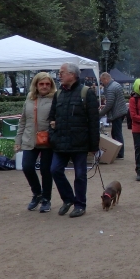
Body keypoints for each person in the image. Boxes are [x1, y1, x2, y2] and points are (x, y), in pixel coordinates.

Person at [48, 63, 100, 218]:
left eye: (62, 72)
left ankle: (80, 205)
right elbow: (52, 117)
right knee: (55, 170)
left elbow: (93, 121)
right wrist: (53, 135)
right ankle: (68, 199)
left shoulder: (86, 93)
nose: (59, 75)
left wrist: (94, 145)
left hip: (80, 142)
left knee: (80, 175)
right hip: (61, 142)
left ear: (72, 74)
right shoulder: (58, 94)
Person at [15, 72, 56, 213]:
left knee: (46, 171)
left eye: (47, 84)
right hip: (29, 138)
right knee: (27, 167)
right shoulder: (29, 99)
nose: (44, 86)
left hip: (47, 140)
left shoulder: (55, 99)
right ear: (36, 85)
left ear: (51, 85)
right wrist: (18, 140)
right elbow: (23, 121)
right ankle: (37, 193)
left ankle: (46, 199)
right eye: (41, 84)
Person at [99, 72, 128, 159]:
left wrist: (100, 114)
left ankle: (119, 153)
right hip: (121, 111)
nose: (102, 83)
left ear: (106, 79)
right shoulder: (116, 85)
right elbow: (115, 101)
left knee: (117, 133)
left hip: (117, 113)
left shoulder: (110, 88)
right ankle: (118, 151)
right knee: (116, 132)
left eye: (102, 81)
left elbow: (110, 104)